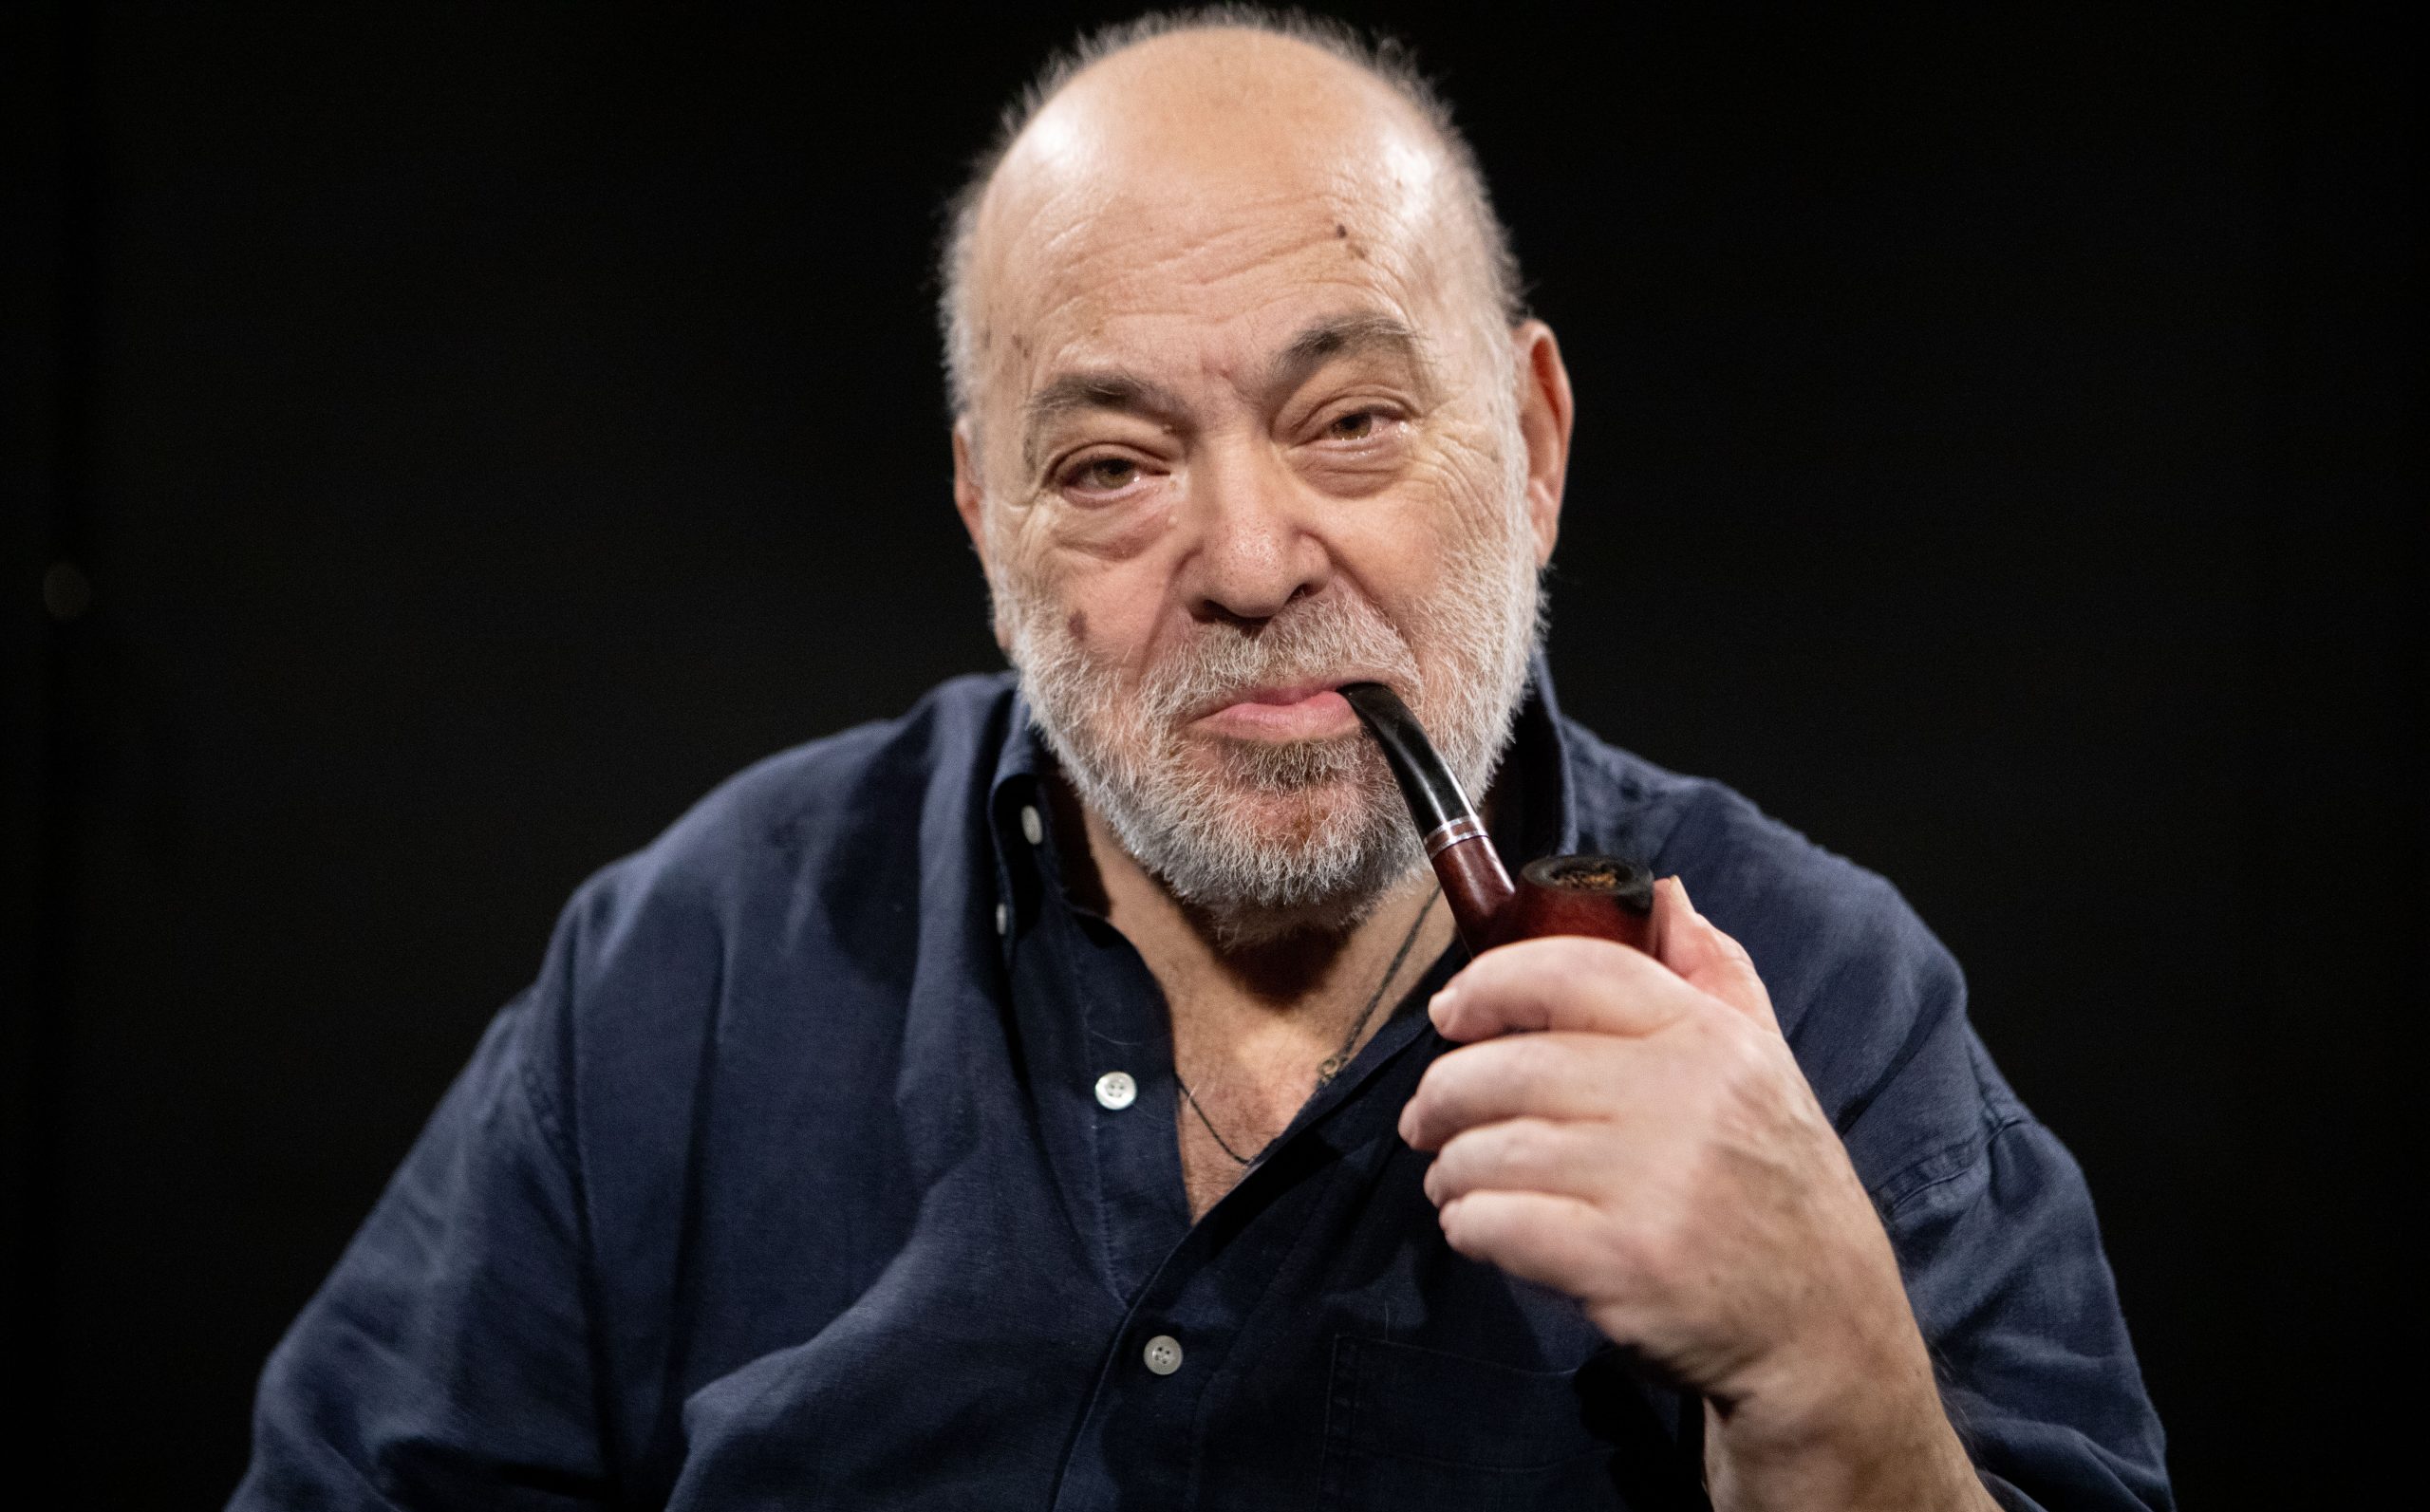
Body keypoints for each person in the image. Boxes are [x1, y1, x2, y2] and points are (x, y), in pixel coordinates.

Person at [233, 11, 2170, 1510]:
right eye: (1110, 464)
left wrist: (1834, 1388)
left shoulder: (1821, 1013)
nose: (1249, 563)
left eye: (1350, 421)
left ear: (1532, 446)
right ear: (988, 524)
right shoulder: (696, 969)